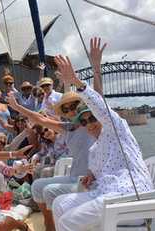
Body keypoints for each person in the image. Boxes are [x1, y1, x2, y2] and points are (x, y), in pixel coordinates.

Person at [7, 37, 106, 231]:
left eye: (74, 106)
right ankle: (49, 226)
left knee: (51, 191)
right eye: (66, 108)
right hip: (75, 177)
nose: (70, 110)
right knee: (37, 187)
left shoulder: (93, 123)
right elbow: (41, 119)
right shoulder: (69, 127)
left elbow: (99, 98)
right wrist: (18, 107)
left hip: (90, 181)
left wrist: (96, 68)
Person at [51, 54, 153, 231]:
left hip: (132, 198)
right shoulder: (95, 149)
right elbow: (98, 173)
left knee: (68, 221)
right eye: (83, 121)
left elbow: (102, 108)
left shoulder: (117, 129)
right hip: (108, 195)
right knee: (59, 204)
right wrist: (90, 177)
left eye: (92, 118)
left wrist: (77, 81)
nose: (89, 124)